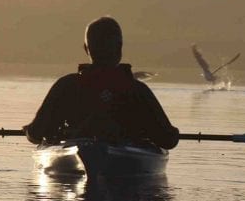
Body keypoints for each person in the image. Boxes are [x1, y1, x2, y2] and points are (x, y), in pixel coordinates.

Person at [23, 16, 180, 149]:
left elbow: (37, 134)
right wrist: (173, 132)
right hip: (125, 159)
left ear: (87, 49)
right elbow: (168, 140)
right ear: (119, 47)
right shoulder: (137, 89)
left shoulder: (66, 85)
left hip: (76, 150)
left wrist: (28, 131)